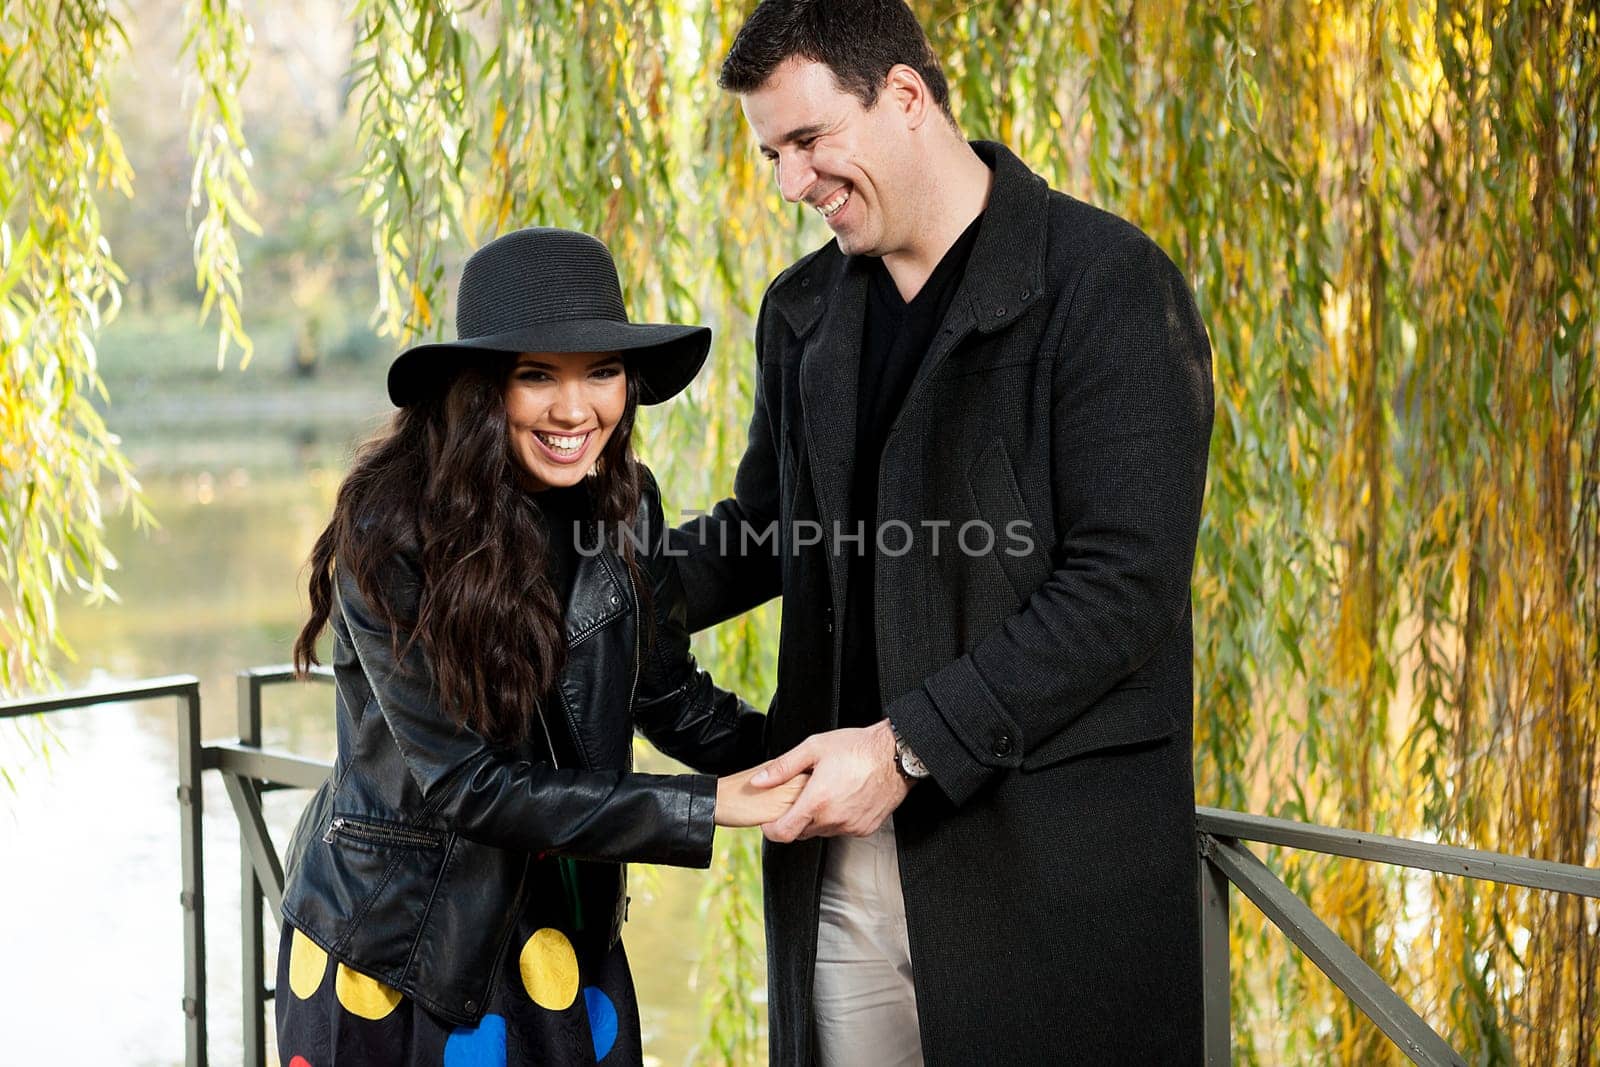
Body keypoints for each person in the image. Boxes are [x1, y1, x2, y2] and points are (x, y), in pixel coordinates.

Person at [671, 1, 1216, 1062]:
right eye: (772, 153)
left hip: (1053, 875)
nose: (790, 183)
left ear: (907, 98)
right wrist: (590, 589)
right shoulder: (800, 312)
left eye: (808, 140)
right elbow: (773, 528)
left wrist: (907, 746)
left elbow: (1120, 589)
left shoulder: (1110, 287)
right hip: (841, 865)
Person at [275, 227, 800, 1066]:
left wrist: (805, 761)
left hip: (565, 931)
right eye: (536, 375)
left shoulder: (625, 502)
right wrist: (708, 804)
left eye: (600, 372)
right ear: (482, 388)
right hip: (407, 948)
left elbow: (665, 693)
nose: (575, 409)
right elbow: (470, 787)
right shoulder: (390, 531)